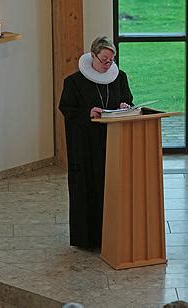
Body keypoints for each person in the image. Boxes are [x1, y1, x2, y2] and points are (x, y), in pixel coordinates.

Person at [59, 36, 133, 249]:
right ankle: (88, 240)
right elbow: (67, 109)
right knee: (88, 189)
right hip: (86, 146)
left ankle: (113, 235)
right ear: (92, 56)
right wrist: (88, 112)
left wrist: (124, 105)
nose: (108, 64)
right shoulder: (73, 82)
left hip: (113, 141)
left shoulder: (120, 78)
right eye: (103, 60)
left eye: (111, 60)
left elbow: (129, 100)